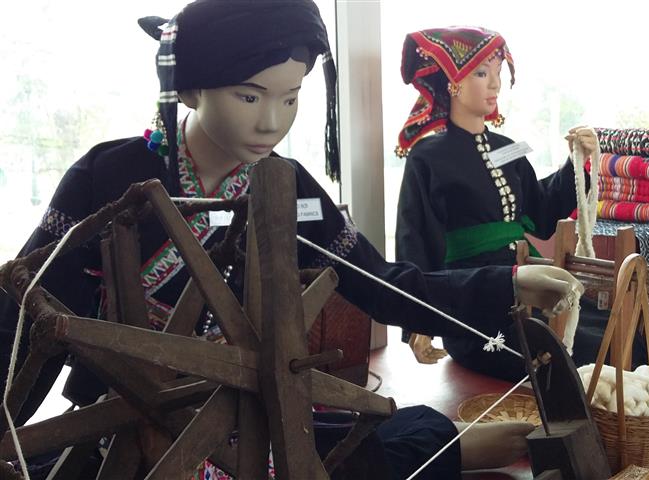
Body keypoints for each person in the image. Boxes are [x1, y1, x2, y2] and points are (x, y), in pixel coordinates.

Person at [0, 1, 580, 478]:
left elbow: (379, 283)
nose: (271, 122)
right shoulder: (107, 176)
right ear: (191, 89)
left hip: (248, 417)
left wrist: (506, 283)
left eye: (291, 97)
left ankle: (448, 448)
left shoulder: (289, 186)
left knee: (418, 427)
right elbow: (27, 318)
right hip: (125, 429)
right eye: (249, 96)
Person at [394, 27, 613, 381]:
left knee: (612, 331)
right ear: (454, 82)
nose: (495, 84)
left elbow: (540, 213)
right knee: (557, 349)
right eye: (482, 73)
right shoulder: (426, 156)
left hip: (529, 283)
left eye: (498, 73)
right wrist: (419, 320)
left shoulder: (508, 148)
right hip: (471, 301)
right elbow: (414, 239)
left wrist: (575, 164)